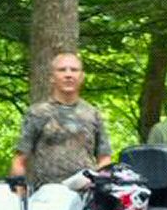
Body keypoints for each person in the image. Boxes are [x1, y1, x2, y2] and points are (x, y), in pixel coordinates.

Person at [10, 52, 112, 191]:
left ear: (81, 77)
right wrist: (19, 197)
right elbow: (20, 160)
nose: (68, 75)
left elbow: (104, 159)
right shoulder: (37, 113)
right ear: (52, 77)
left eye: (74, 70)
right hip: (46, 196)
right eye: (62, 70)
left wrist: (100, 187)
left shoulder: (92, 114)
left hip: (86, 196)